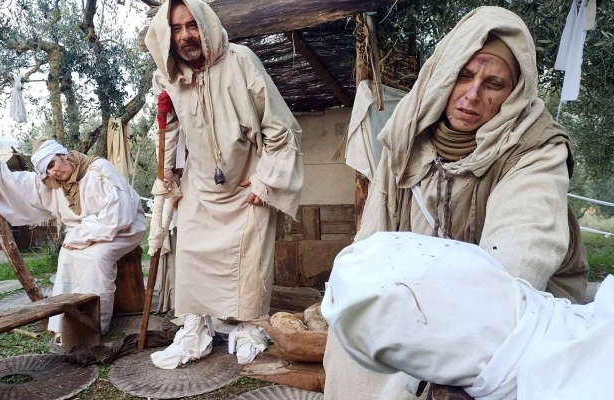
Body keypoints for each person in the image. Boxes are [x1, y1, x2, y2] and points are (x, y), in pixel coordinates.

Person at [323, 6, 588, 400]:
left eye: (494, 83)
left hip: (514, 310)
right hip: (419, 295)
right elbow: (373, 239)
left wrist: (430, 354)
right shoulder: (409, 132)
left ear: (515, 93)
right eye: (464, 74)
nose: (472, 94)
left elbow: (517, 261)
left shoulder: (535, 149)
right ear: (445, 73)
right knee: (351, 355)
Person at [143, 0, 303, 364]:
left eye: (192, 25)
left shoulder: (241, 60)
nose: (186, 36)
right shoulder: (169, 76)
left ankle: (248, 327)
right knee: (191, 255)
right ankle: (196, 330)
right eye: (177, 29)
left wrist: (267, 181)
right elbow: (168, 130)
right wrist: (167, 176)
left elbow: (280, 128)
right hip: (201, 183)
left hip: (248, 181)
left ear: (207, 25)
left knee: (249, 262)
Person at [0, 137, 147, 340]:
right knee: (66, 256)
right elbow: (19, 182)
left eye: (52, 164)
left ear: (63, 154)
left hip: (121, 227)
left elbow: (120, 213)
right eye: (46, 170)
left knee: (97, 258)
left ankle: (96, 323)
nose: (52, 172)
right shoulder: (52, 183)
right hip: (84, 231)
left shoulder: (99, 170)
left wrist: (82, 236)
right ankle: (67, 322)